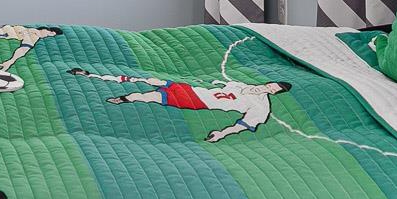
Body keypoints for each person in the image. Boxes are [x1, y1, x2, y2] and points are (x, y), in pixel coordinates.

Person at [67, 67, 291, 143]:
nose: (267, 88)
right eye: (269, 85)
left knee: (152, 96)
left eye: (272, 90)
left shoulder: (262, 107)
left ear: (275, 93)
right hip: (195, 90)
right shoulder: (245, 85)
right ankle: (94, 76)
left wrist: (220, 134)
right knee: (153, 81)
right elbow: (226, 85)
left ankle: (124, 98)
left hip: (198, 101)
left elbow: (243, 124)